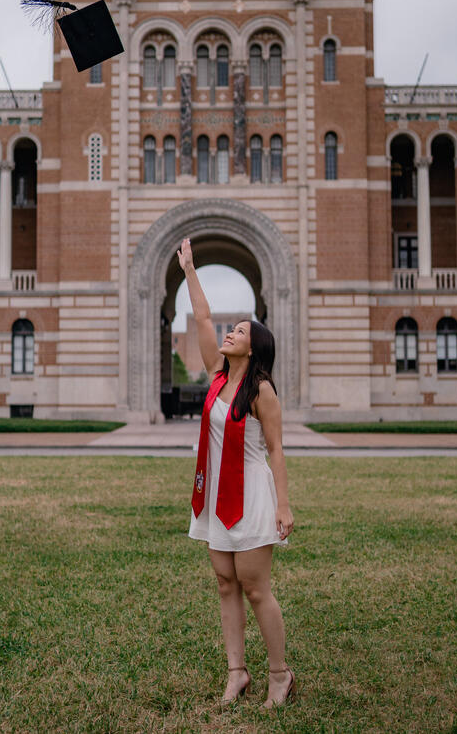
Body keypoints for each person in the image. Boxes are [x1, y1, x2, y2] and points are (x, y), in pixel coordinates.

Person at [177, 237, 296, 709]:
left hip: (250, 495)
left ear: (254, 346)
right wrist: (190, 269)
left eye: (240, 331)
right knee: (225, 583)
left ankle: (280, 675)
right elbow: (203, 317)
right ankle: (237, 673)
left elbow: (277, 450)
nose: (230, 333)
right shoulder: (217, 375)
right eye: (233, 329)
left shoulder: (262, 390)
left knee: (255, 588)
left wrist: (284, 505)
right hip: (214, 495)